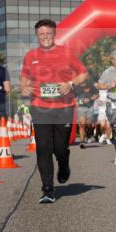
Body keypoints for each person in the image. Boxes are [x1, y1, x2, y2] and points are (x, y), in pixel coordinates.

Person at [19, 19, 87, 203]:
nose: (45, 37)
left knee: (59, 148)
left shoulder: (66, 52)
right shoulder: (30, 56)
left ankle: (64, 163)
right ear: (37, 35)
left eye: (48, 33)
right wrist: (24, 88)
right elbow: (24, 79)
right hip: (40, 107)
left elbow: (83, 73)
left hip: (64, 107)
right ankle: (47, 189)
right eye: (42, 34)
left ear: (54, 34)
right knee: (43, 148)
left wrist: (71, 84)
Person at [76, 80, 97, 149]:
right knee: (82, 124)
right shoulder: (76, 86)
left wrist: (90, 99)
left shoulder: (91, 86)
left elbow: (97, 94)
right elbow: (73, 96)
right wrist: (77, 102)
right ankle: (82, 142)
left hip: (90, 107)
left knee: (89, 124)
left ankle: (88, 134)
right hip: (81, 108)